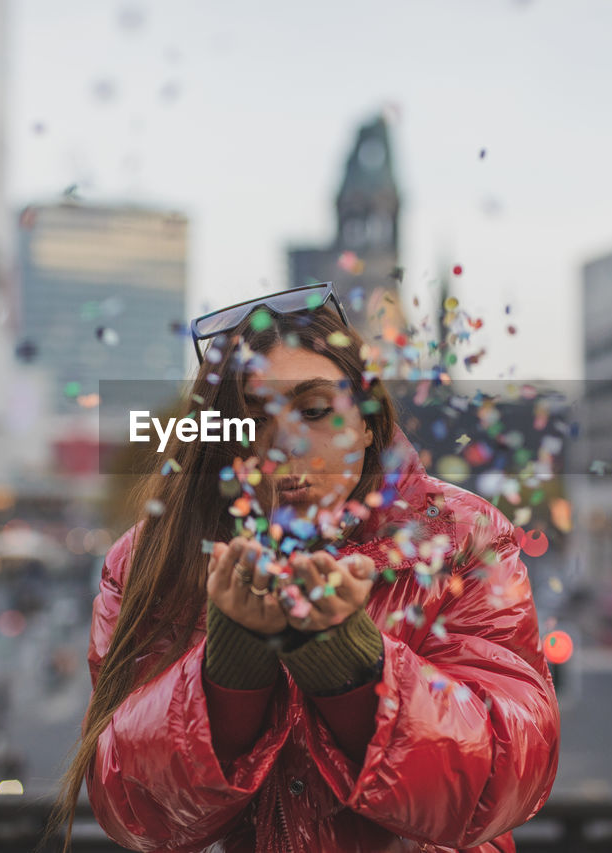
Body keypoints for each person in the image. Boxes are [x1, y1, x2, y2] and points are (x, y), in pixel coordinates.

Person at [50, 283, 561, 852]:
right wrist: (228, 671)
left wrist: (356, 665)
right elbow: (136, 813)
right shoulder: (153, 555)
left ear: (369, 422)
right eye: (251, 418)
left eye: (314, 411)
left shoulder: (464, 536)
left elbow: (512, 773)